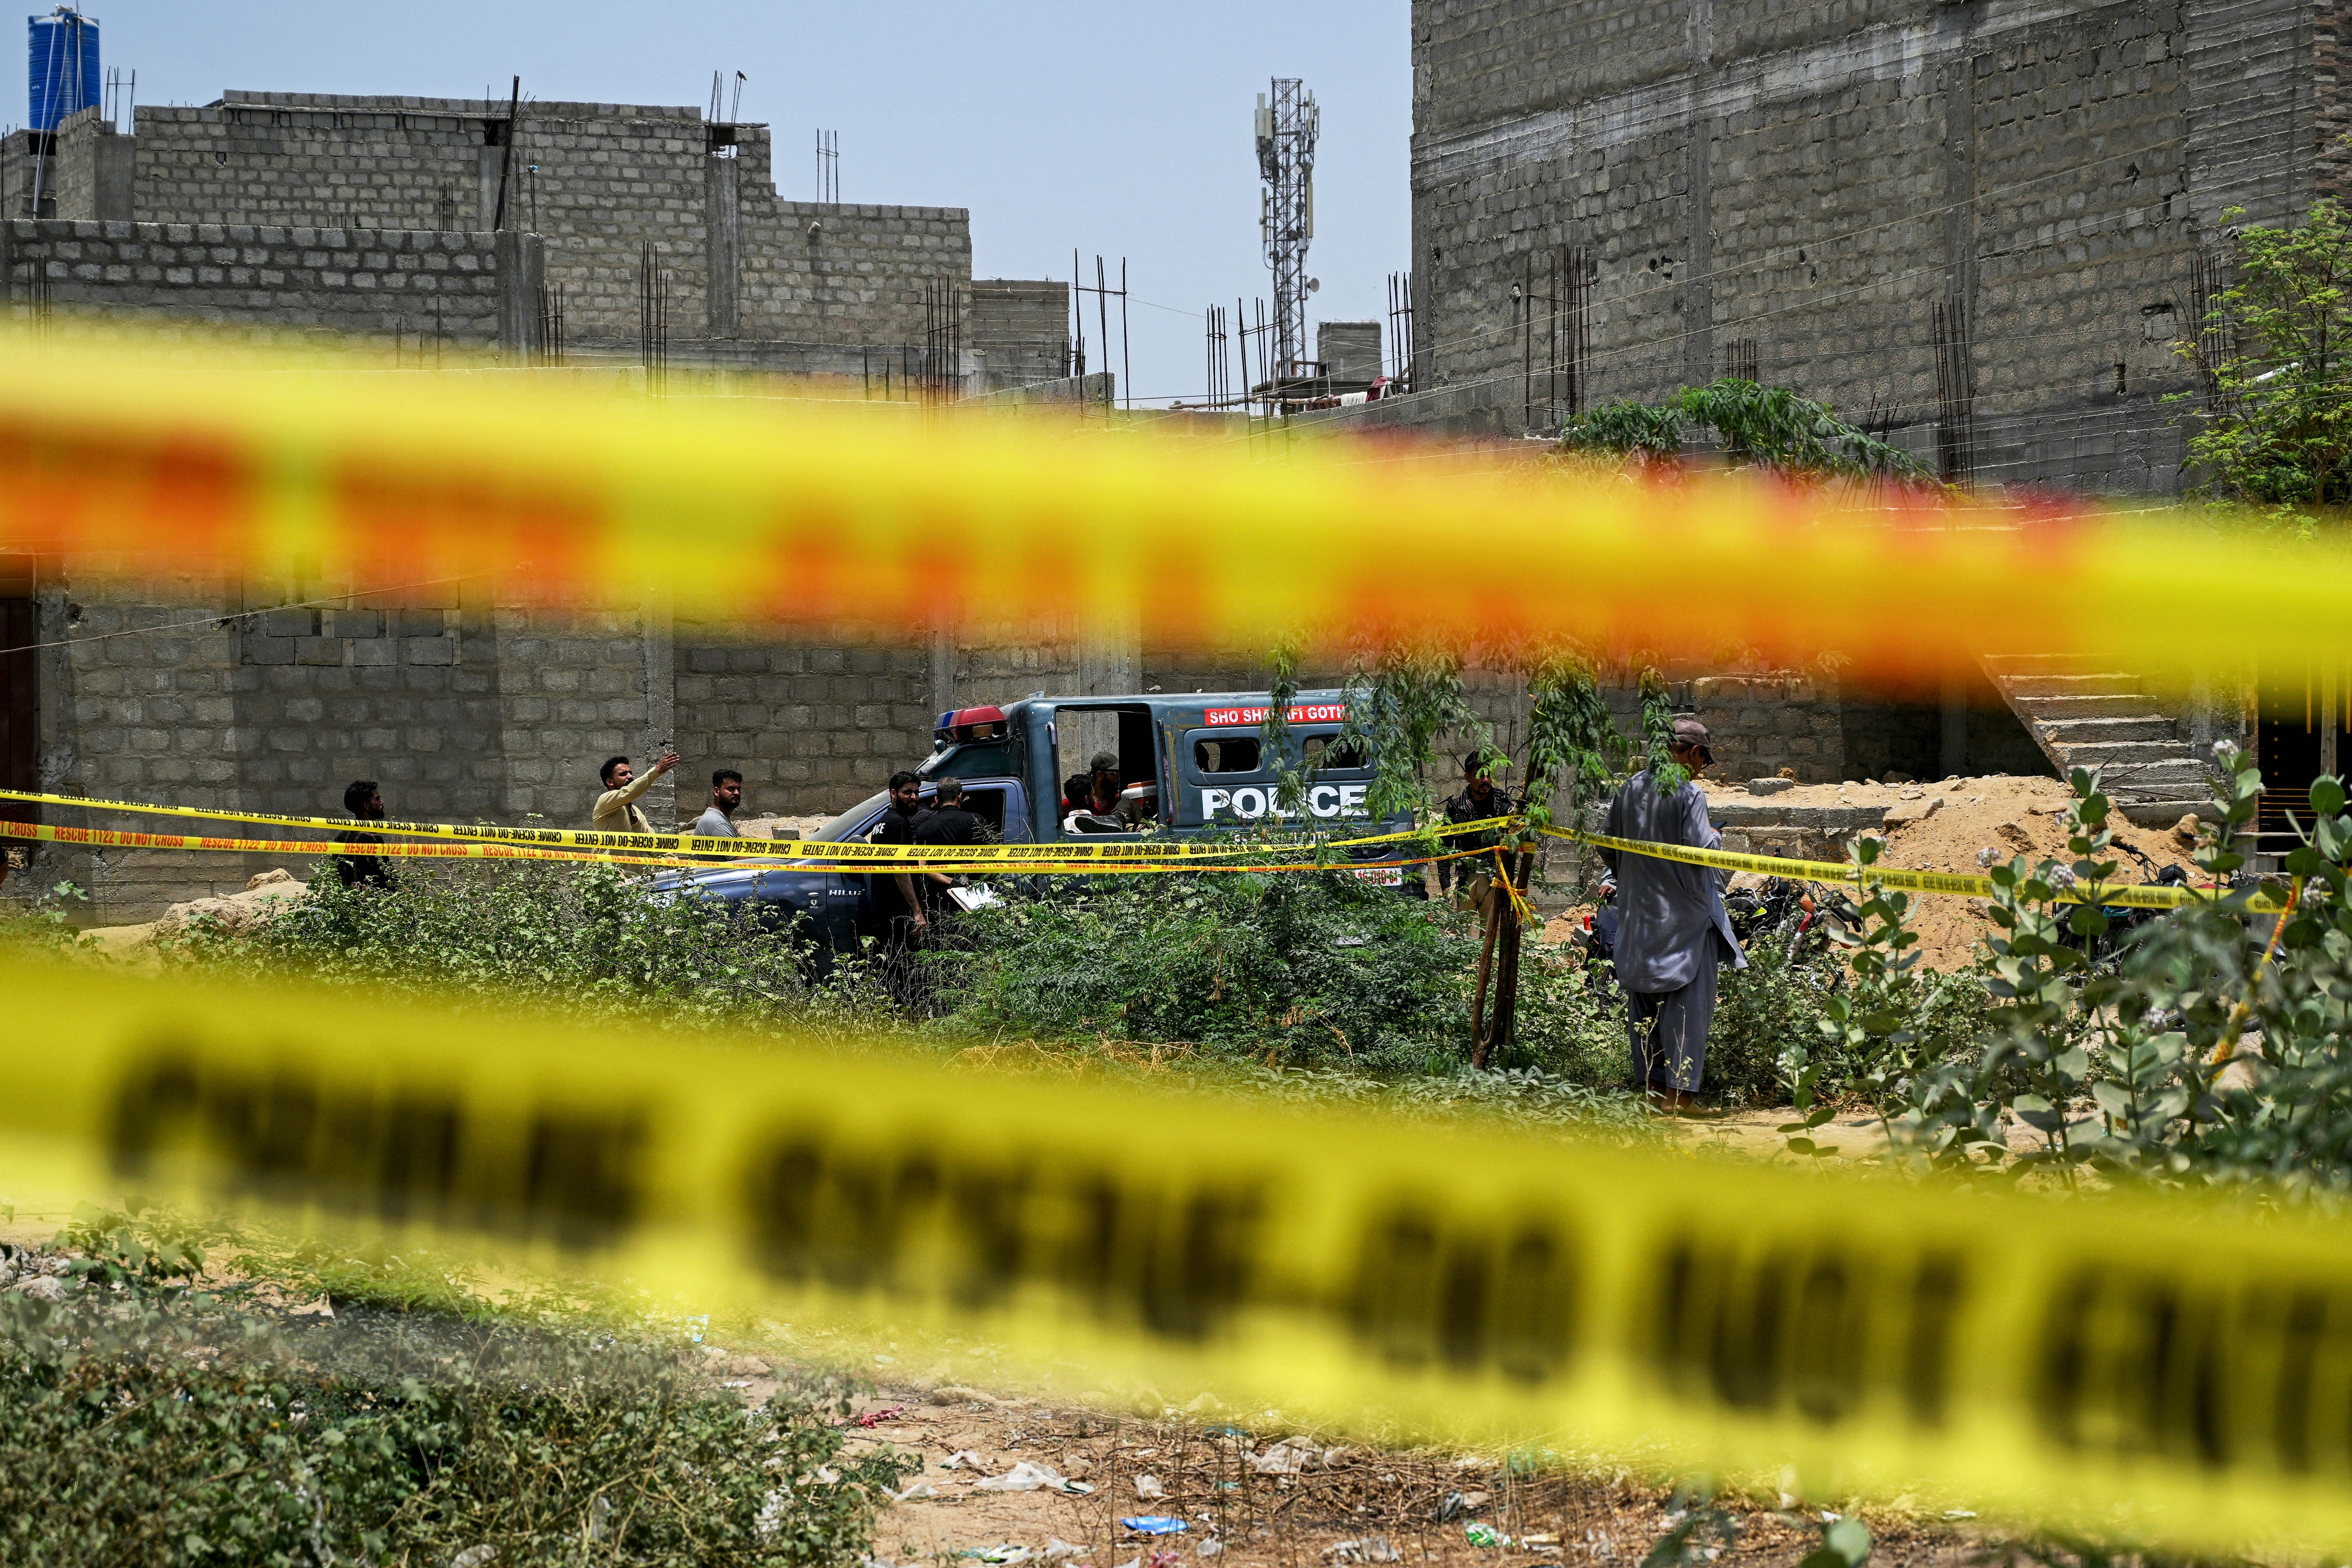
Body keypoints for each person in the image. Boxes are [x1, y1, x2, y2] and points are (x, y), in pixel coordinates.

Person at [1599, 717, 1746, 1115]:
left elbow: (1607, 847)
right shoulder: (1688, 794)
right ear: (1694, 753)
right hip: (1685, 926)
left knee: (1644, 1012)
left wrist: (1634, 880)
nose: (1701, 769)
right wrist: (1716, 834)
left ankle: (1651, 1098)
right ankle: (1682, 1102)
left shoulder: (1628, 789)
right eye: (1703, 760)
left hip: (1639, 923)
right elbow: (1703, 850)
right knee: (1687, 1016)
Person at [865, 769, 930, 1000]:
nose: (914, 797)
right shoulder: (898, 824)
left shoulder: (882, 822)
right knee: (904, 972)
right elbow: (900, 870)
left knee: (891, 971)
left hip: (884, 912)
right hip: (898, 913)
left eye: (916, 792)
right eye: (907, 793)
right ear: (894, 794)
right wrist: (917, 911)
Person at [1436, 750, 1520, 902]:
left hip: (1496, 881)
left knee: (1493, 926)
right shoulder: (1456, 809)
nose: (1486, 780)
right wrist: (1446, 886)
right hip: (1464, 882)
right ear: (1468, 778)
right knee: (1459, 925)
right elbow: (1444, 848)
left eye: (1489, 775)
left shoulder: (1502, 805)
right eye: (1480, 775)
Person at [914, 776, 993, 921]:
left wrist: (950, 881)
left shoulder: (924, 830)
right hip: (976, 899)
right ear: (960, 797)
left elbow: (921, 868)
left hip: (941, 905)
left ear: (937, 800)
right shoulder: (977, 822)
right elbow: (992, 858)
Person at [329, 778, 398, 891]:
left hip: (344, 901)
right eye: (377, 799)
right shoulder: (373, 840)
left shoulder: (341, 837)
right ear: (367, 805)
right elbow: (389, 880)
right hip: (368, 903)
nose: (382, 802)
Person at [592, 748, 678, 834]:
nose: (630, 777)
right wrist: (657, 771)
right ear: (610, 782)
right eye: (623, 774)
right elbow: (630, 791)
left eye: (630, 773)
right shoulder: (605, 801)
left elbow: (652, 839)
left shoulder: (636, 812)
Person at [691, 768, 743, 838]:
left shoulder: (718, 817)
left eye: (739, 789)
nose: (737, 793)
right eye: (731, 789)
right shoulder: (719, 824)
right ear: (716, 792)